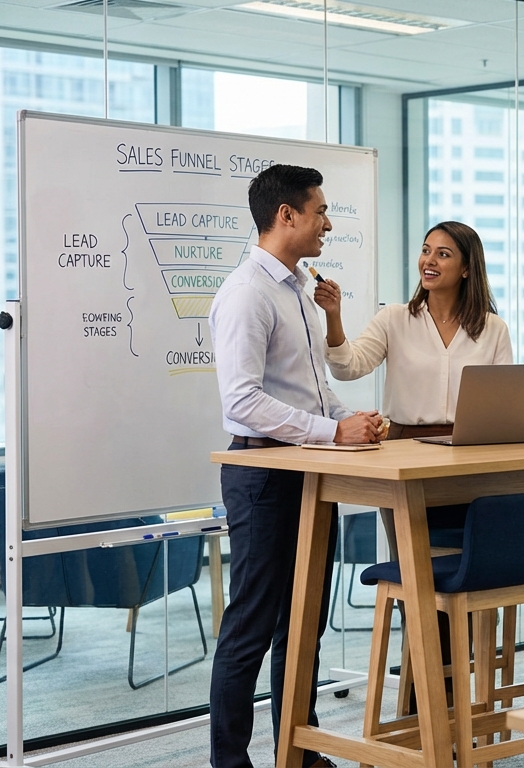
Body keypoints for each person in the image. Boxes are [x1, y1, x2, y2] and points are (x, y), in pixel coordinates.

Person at [209, 164, 383, 768]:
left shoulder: (299, 291)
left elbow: (310, 391)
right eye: (320, 211)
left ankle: (299, 752)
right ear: (288, 215)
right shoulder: (246, 294)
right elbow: (243, 401)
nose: (327, 222)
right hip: (262, 477)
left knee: (301, 623)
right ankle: (229, 763)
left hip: (309, 474)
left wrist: (349, 418)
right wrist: (332, 431)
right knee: (252, 624)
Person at [315, 220, 512, 544]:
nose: (429, 261)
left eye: (443, 254)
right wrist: (334, 315)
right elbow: (347, 367)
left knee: (479, 557)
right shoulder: (394, 318)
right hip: (406, 451)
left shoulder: (493, 328)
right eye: (425, 251)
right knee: (412, 560)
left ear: (466, 269)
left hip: (471, 457)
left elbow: (504, 404)